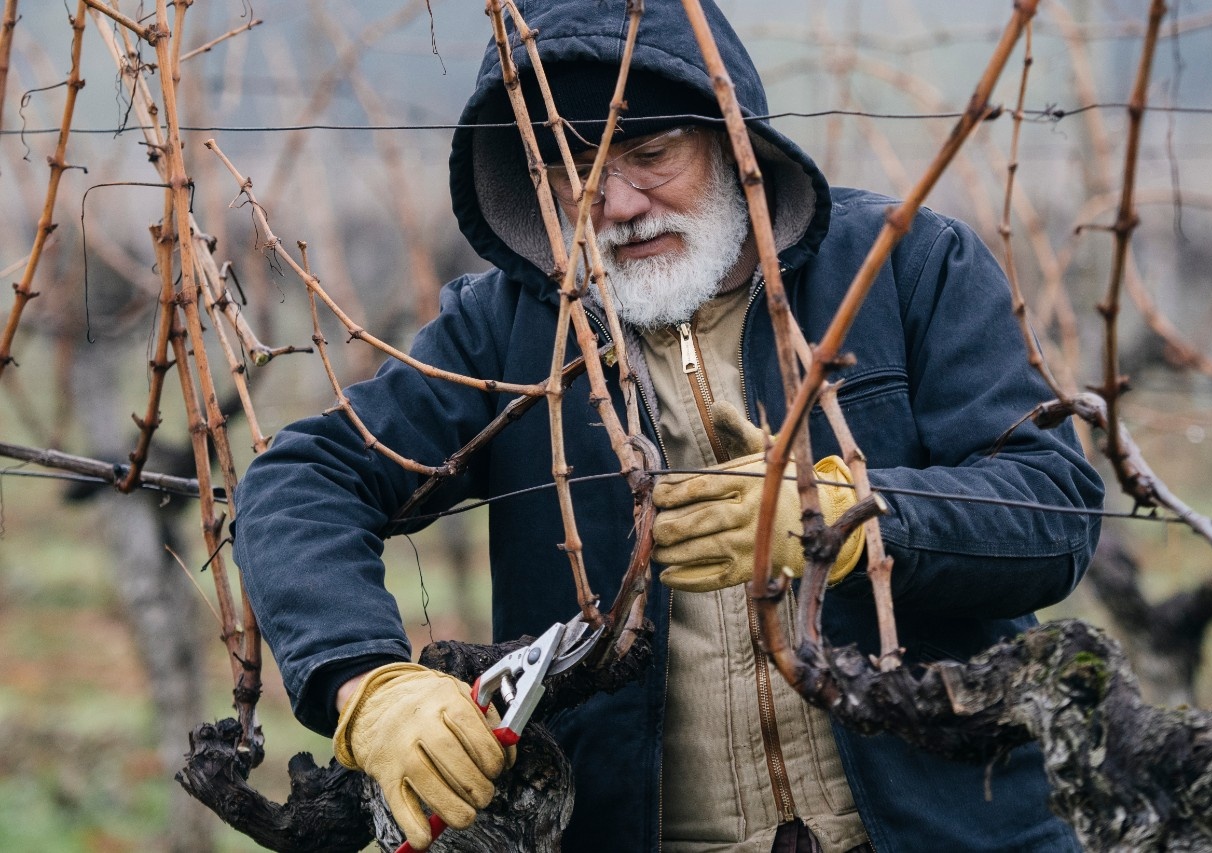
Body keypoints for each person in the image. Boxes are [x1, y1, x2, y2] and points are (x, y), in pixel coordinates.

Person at [232, 1, 1105, 851]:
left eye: (650, 153)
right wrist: (367, 682)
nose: (616, 203)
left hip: (953, 829)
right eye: (573, 173)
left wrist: (839, 517)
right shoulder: (508, 329)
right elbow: (303, 479)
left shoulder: (903, 265)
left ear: (734, 137)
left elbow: (1052, 506)